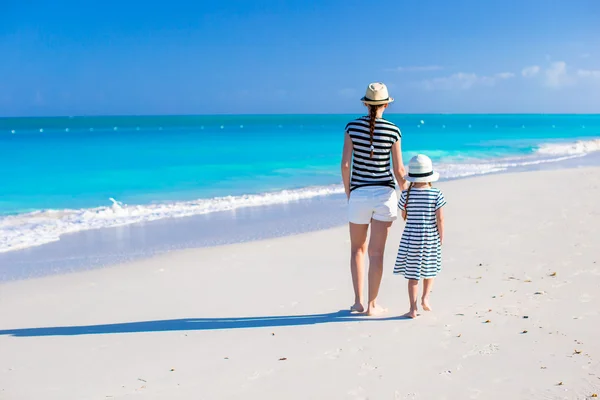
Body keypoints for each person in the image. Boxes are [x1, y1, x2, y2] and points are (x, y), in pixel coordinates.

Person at [341, 82, 407, 316]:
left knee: (357, 250)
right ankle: (372, 305)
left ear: (366, 103)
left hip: (359, 194)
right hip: (384, 196)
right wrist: (406, 195)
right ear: (386, 104)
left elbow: (346, 165)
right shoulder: (393, 131)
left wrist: (351, 193)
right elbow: (399, 171)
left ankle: (358, 302)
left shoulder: (352, 127)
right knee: (376, 253)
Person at [394, 154, 446, 318]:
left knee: (413, 275)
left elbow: (404, 214)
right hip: (430, 237)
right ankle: (425, 299)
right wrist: (441, 237)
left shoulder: (406, 194)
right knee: (429, 270)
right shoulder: (436, 193)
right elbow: (440, 218)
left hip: (411, 239)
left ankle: (412, 308)